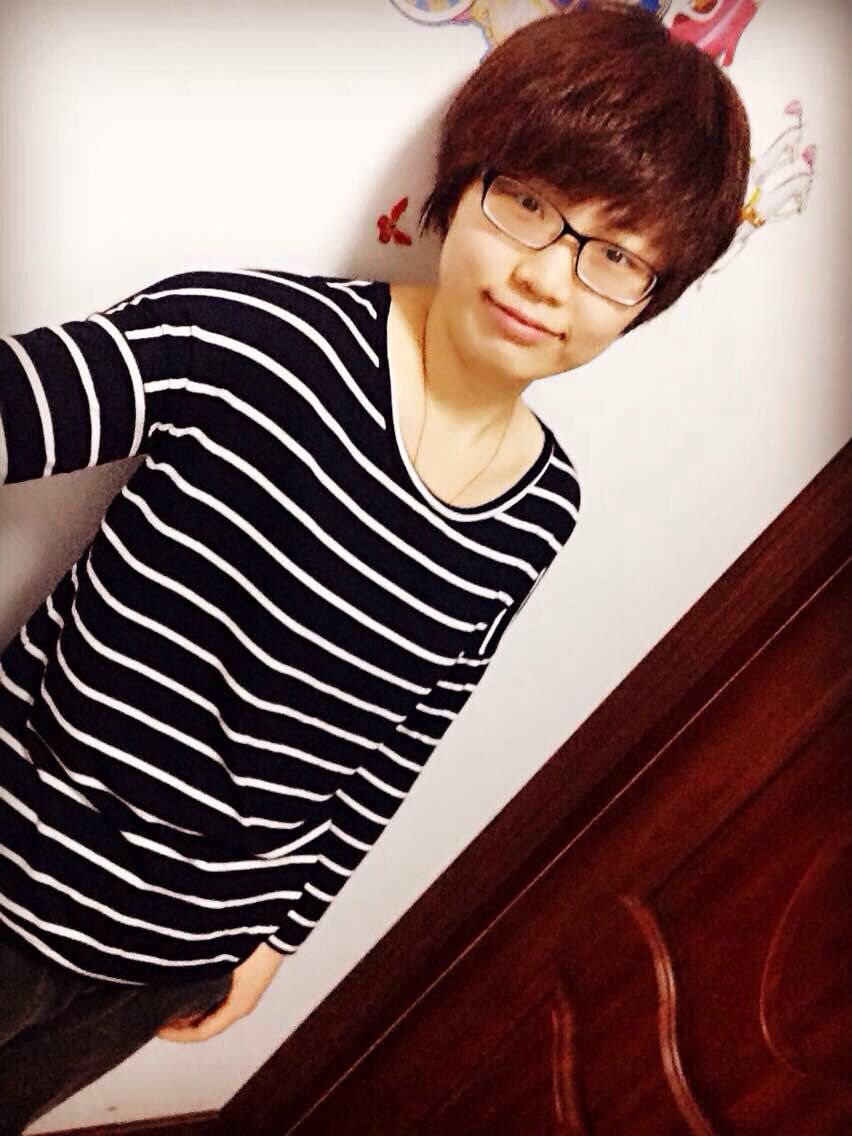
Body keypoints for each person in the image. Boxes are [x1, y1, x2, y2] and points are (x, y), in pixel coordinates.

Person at [0, 1, 749, 1129]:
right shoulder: (245, 339)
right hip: (17, 878)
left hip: (173, 960)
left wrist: (278, 936)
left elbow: (406, 733)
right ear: (462, 181)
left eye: (616, 256)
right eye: (529, 204)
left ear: (650, 299)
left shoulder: (541, 508)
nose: (549, 278)